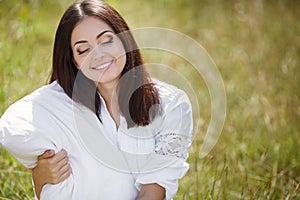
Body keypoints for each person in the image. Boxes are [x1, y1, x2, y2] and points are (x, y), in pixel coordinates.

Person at [0, 0, 193, 199]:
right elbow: (11, 126)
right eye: (83, 50)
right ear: (74, 61)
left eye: (107, 40)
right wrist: (41, 173)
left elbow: (155, 190)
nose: (98, 55)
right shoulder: (60, 103)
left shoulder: (171, 105)